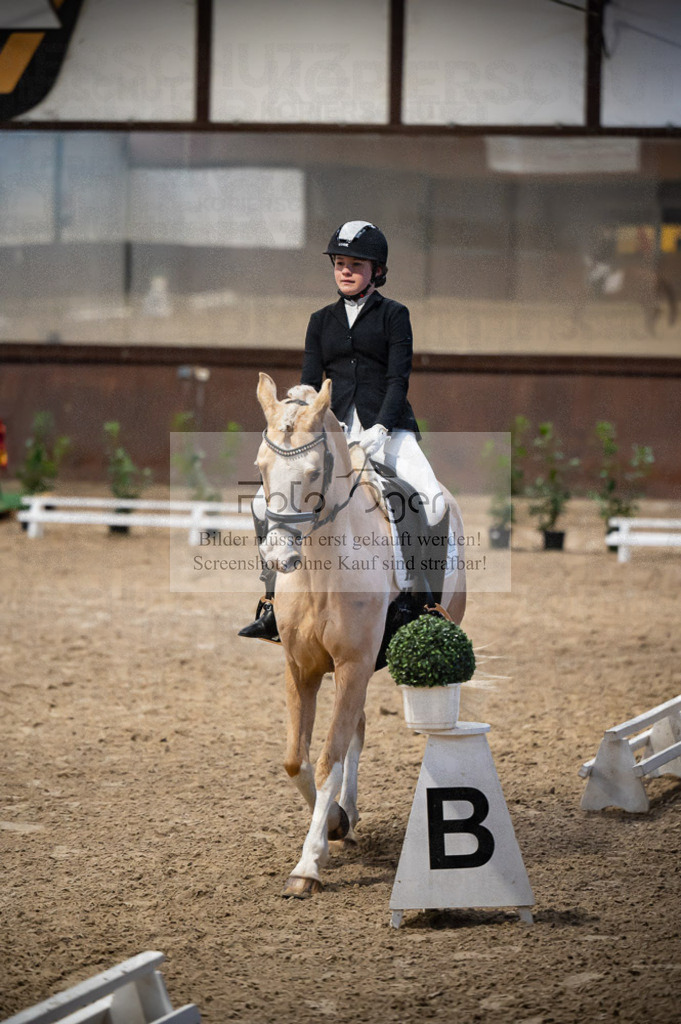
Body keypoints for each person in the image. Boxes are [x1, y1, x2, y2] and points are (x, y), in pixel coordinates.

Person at [239, 220, 444, 642]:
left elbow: (397, 380)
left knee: (429, 499)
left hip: (386, 428)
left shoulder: (394, 316)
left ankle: (423, 602)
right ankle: (272, 602)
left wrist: (383, 427)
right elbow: (311, 378)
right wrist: (299, 403)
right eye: (339, 263)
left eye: (355, 264)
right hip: (330, 433)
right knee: (263, 503)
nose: (345, 271)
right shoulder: (321, 320)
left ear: (377, 271)